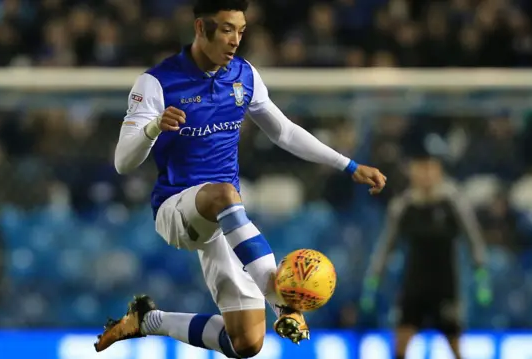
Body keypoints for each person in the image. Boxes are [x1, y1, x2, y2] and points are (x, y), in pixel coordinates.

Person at [93, 0, 387, 357]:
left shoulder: (244, 75)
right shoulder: (157, 82)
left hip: (225, 219)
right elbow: (123, 162)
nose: (236, 40)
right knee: (225, 193)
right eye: (228, 29)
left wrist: (350, 166)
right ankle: (283, 305)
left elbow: (285, 133)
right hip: (177, 210)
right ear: (201, 29)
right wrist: (154, 126)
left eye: (241, 31)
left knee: (245, 343)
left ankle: (147, 320)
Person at [361, 153, 492, 359]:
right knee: (401, 347)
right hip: (414, 284)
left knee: (455, 347)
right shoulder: (404, 205)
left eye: (431, 168)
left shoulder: (452, 202)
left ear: (439, 171)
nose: (426, 175)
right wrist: (373, 279)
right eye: (421, 169)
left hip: (446, 284)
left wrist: (481, 273)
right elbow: (386, 245)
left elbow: (473, 239)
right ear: (412, 172)